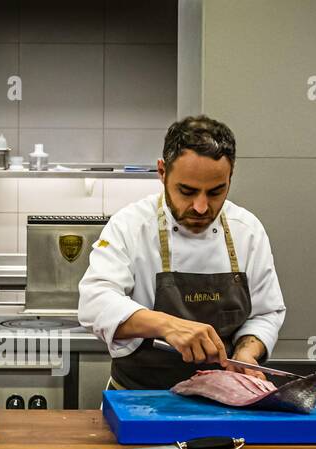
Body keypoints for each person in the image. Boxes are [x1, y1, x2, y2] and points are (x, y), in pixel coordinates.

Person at [78, 115, 287, 389]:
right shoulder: (130, 225)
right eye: (187, 191)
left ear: (230, 176)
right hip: (140, 398)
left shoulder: (246, 230)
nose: (201, 207)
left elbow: (266, 312)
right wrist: (166, 325)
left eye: (215, 192)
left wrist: (246, 353)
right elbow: (95, 303)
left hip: (223, 401)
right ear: (162, 172)